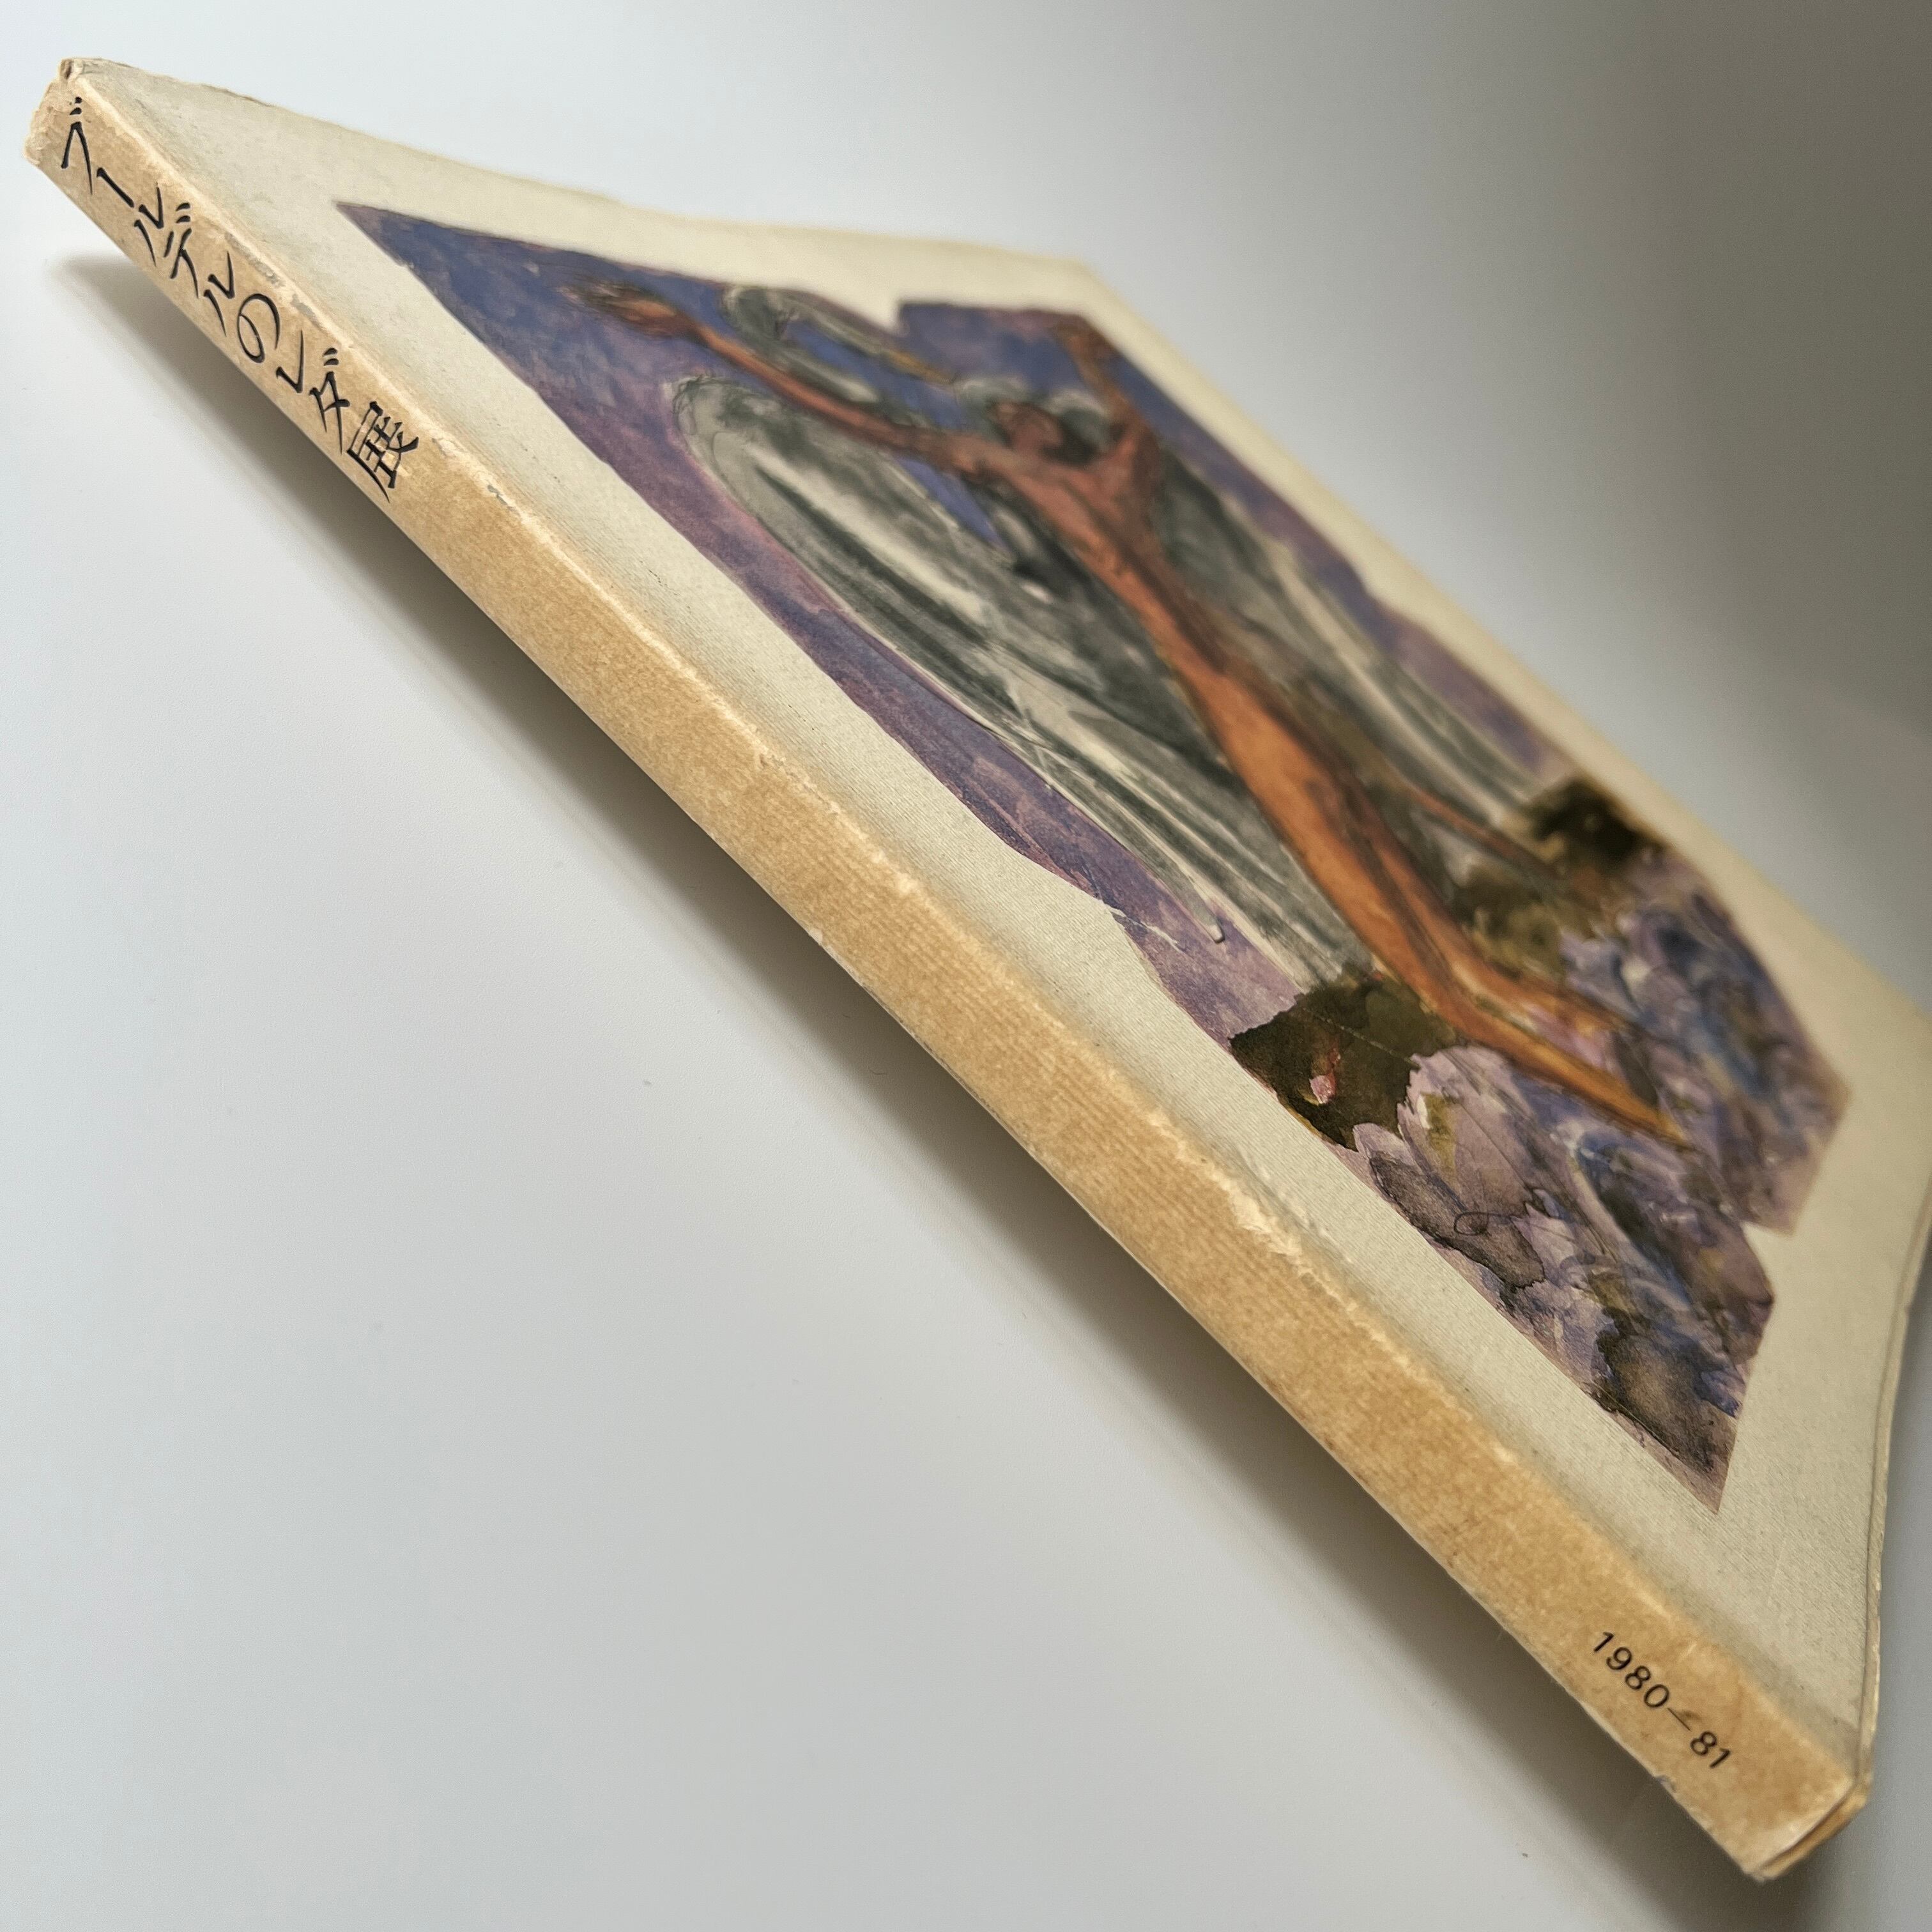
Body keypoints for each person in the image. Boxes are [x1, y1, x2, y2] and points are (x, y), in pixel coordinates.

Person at [578, 279, 1677, 1142]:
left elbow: (1128, 422)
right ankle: (1596, 1080)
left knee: (1451, 942)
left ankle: (1608, 1057)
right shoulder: (1030, 478)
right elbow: (872, 430)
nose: (1021, 420)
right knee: (1430, 967)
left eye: (1026, 410)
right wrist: (702, 336)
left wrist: (1095, 358)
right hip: (1237, 714)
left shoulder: (1113, 474)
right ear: (1004, 447)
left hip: (1272, 703)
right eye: (1008, 419)